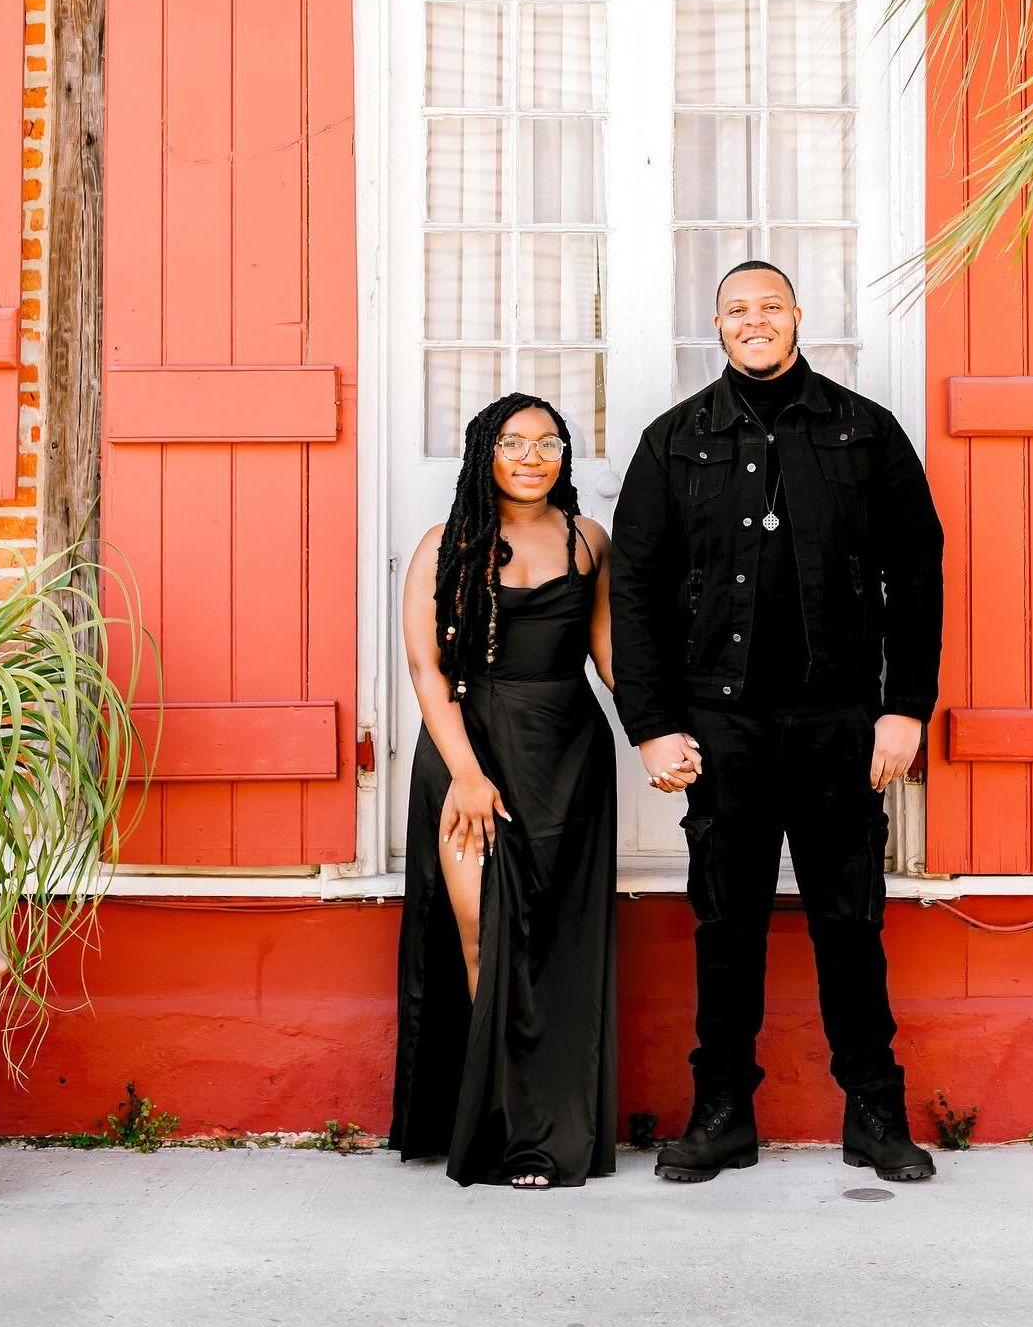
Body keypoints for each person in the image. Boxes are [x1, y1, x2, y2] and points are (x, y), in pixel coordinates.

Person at [610, 261, 945, 1183]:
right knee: (726, 922)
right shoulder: (673, 441)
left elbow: (916, 572)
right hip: (720, 728)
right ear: (714, 327)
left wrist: (902, 706)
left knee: (852, 918)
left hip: (841, 721)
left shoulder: (861, 431)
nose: (753, 321)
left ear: (799, 315)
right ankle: (720, 1114)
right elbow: (631, 590)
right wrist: (650, 722)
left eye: (768, 306)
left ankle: (876, 1113)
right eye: (735, 311)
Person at [389, 394, 619, 1189]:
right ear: (484, 452)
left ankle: (548, 1129)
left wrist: (669, 730)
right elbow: (426, 669)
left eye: (548, 442)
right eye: (513, 442)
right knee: (484, 934)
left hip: (568, 756)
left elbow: (609, 659)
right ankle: (500, 1126)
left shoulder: (587, 539)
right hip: (469, 755)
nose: (531, 456)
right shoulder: (443, 545)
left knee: (556, 944)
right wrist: (467, 773)